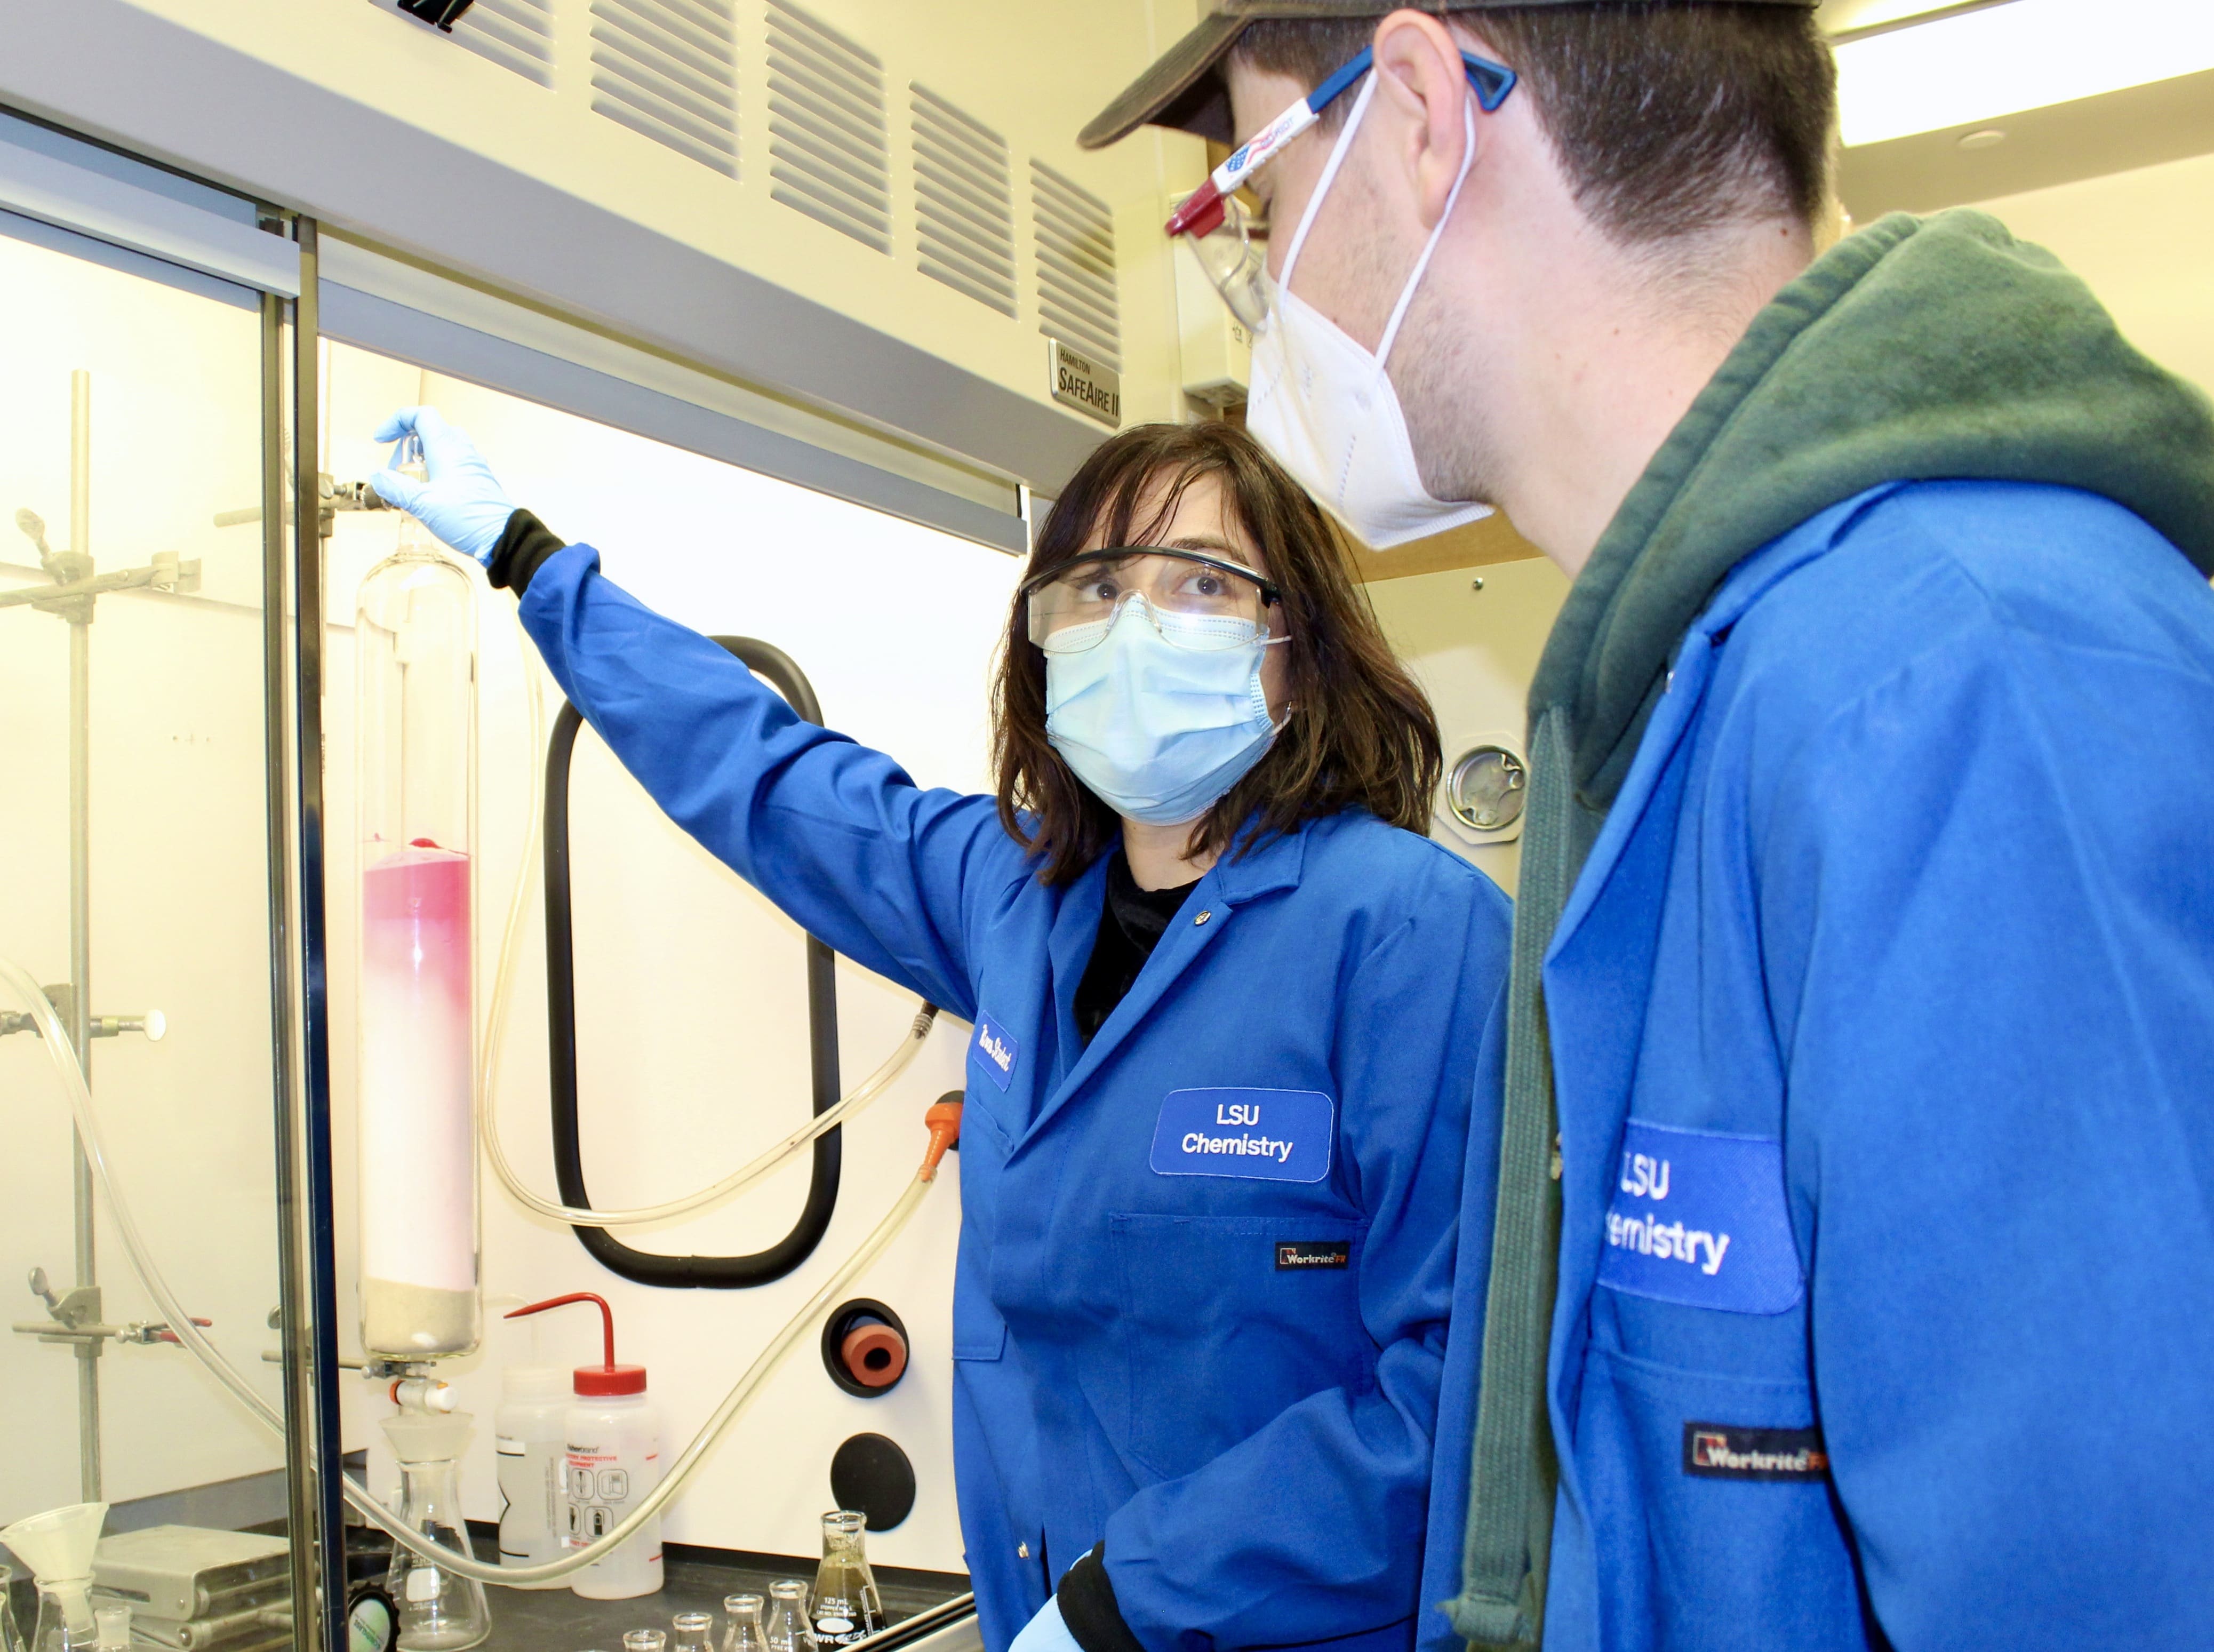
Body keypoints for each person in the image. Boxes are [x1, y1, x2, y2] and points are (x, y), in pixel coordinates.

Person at [1086, 4, 2214, 1650]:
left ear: (1416, 111)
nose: (1268, 302)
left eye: (1254, 206)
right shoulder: (1695, 689)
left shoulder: (1950, 679)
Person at [371, 411, 1514, 1652]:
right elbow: (762, 773)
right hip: (1039, 1614)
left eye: (1199, 584)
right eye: (1096, 587)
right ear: (1044, 644)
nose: (1135, 630)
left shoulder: (1410, 933)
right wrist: (532, 561)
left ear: (1298, 647)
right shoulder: (1011, 898)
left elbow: (1458, 1396)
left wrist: (1132, 1599)